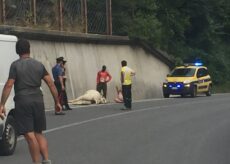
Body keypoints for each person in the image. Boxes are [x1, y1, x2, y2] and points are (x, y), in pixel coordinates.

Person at [0, 39, 62, 164]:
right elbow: (50, 83)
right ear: (29, 49)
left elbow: (9, 85)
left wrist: (1, 104)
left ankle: (36, 162)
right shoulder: (39, 65)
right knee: (38, 133)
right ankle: (46, 160)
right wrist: (57, 102)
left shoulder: (15, 65)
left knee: (29, 135)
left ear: (17, 51)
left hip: (23, 101)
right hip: (38, 101)